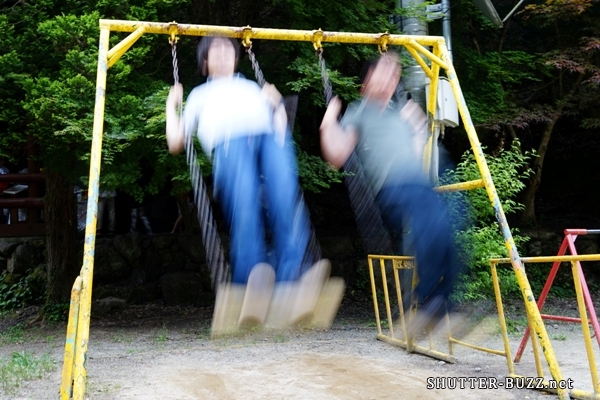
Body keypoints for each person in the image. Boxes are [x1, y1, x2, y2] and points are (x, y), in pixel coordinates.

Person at [165, 36, 334, 333]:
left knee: (284, 199)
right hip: (229, 144)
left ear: (236, 58)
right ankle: (251, 280)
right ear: (204, 63)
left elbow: (280, 129)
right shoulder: (199, 95)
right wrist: (171, 105)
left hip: (268, 139)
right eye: (215, 51)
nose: (223, 54)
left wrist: (278, 105)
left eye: (228, 50)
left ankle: (294, 275)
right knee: (245, 205)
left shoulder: (253, 88)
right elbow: (175, 143)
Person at [320, 51, 461, 334]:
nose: (390, 78)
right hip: (393, 187)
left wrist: (418, 130)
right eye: (383, 71)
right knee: (431, 220)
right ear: (366, 82)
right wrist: (328, 122)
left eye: (394, 73)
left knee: (450, 226)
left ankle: (441, 304)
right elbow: (336, 156)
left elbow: (415, 155)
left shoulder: (400, 113)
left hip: (419, 184)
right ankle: (430, 301)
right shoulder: (359, 111)